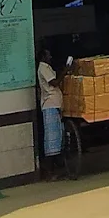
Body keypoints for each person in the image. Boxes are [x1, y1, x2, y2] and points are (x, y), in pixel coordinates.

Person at [36, 48, 64, 176]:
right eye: (48, 55)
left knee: (57, 138)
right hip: (50, 105)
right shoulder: (43, 68)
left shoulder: (47, 68)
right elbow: (54, 82)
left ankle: (55, 167)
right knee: (51, 140)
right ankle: (50, 171)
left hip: (54, 105)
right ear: (43, 57)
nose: (50, 57)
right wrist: (66, 70)